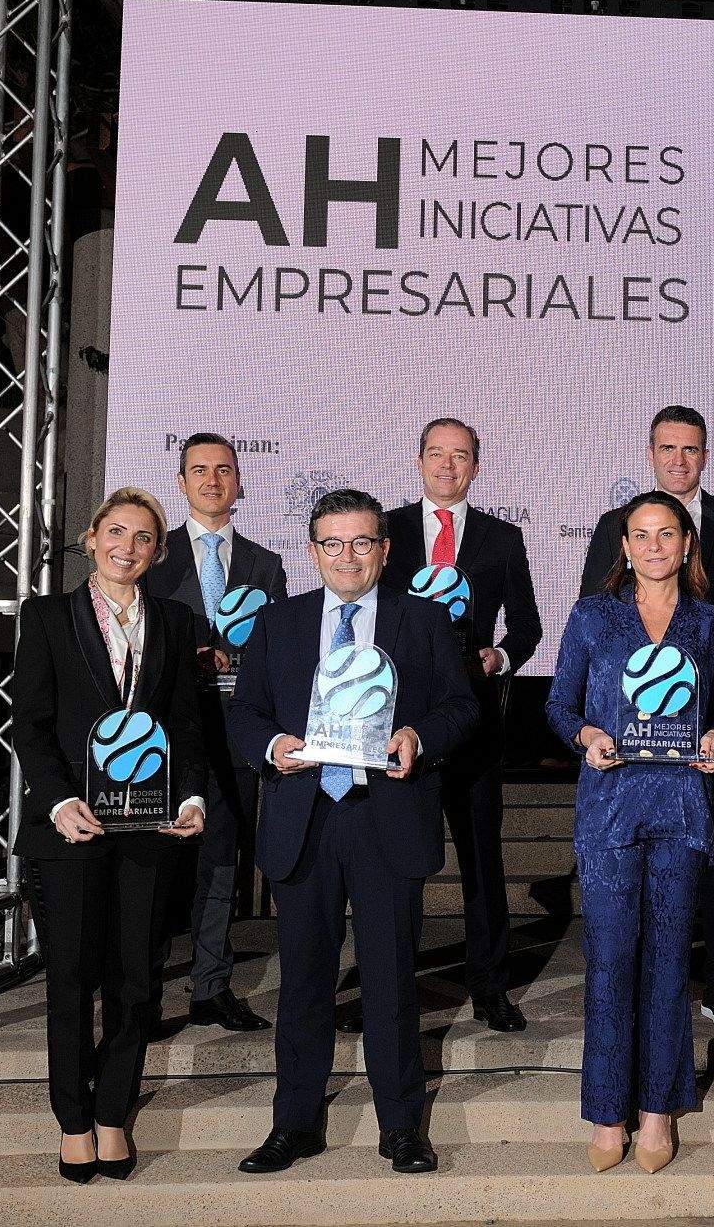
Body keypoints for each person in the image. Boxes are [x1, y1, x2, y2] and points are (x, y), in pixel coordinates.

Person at [226, 490, 480, 1176]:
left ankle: (401, 1127)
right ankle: (295, 1124)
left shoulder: (422, 621)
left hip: (383, 816)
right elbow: (244, 713)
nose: (348, 556)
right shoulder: (277, 622)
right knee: (304, 981)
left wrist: (417, 736)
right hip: (304, 818)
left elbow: (462, 707)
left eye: (362, 542)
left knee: (392, 980)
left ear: (385, 549)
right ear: (312, 552)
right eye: (333, 544)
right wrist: (274, 743)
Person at [10, 487, 207, 1182]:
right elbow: (29, 724)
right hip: (70, 829)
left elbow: (185, 723)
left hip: (147, 829)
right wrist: (59, 800)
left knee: (136, 978)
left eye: (144, 537)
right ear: (92, 539)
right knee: (71, 977)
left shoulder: (178, 623)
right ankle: (71, 1119)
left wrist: (189, 794)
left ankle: (112, 1114)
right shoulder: (47, 618)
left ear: (157, 552)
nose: (128, 547)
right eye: (116, 532)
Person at [547, 491, 714, 1173]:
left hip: (681, 806)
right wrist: (586, 733)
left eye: (667, 534)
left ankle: (658, 1113)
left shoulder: (710, 624)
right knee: (609, 961)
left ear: (686, 545)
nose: (654, 545)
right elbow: (559, 702)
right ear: (623, 547)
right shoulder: (593, 618)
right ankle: (607, 1113)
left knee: (666, 963)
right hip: (610, 808)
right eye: (640, 535)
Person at [581, 405, 714, 1029]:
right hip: (632, 737)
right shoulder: (618, 523)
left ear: (705, 455)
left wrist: (704, 634)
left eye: (690, 449)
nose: (678, 460)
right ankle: (642, 987)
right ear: (651, 453)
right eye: (667, 449)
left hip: (705, 728)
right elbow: (595, 618)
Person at [382, 417, 542, 1034]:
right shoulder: (387, 530)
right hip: (401, 722)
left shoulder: (502, 537)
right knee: (401, 860)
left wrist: (501, 656)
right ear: (419, 461)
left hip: (473, 721)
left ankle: (489, 986)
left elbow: (525, 624)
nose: (447, 466)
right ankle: (391, 983)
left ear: (476, 466)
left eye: (461, 456)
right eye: (436, 454)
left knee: (481, 859)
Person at [145, 431, 288, 1034]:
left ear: (239, 482)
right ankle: (143, 994)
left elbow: (279, 652)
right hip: (159, 734)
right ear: (181, 484)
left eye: (224, 470)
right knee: (154, 862)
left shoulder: (265, 564)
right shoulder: (152, 556)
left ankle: (211, 987)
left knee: (221, 857)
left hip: (234, 731)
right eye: (199, 470)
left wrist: (244, 661)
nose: (212, 480)